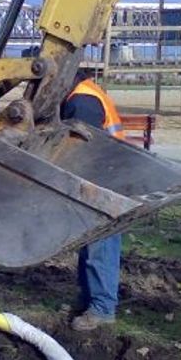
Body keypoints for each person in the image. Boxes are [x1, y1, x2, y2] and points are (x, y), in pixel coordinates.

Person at [62, 71, 123, 331]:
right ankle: (88, 299)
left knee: (100, 244)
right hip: (108, 173)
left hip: (101, 181)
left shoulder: (82, 103)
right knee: (90, 243)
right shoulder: (87, 90)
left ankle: (102, 307)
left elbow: (83, 150)